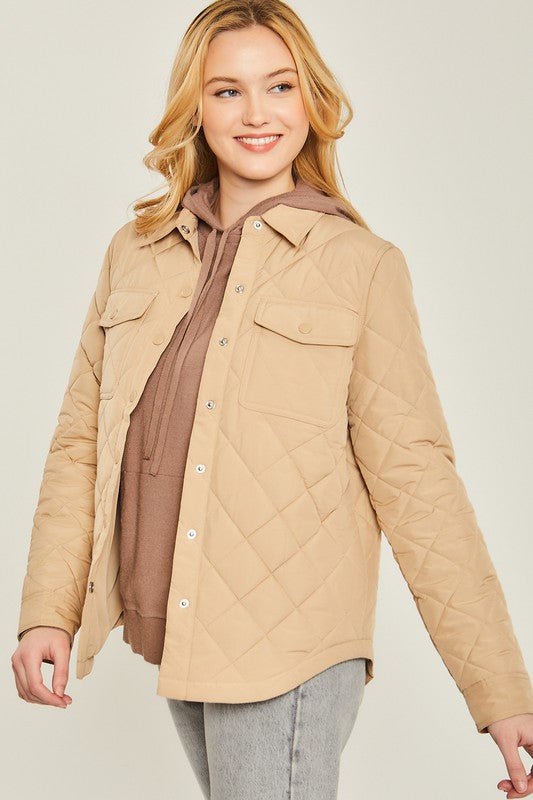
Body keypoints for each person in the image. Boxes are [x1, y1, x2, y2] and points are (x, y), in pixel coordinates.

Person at [11, 1, 533, 797]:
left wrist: (498, 689)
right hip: (180, 628)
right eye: (226, 91)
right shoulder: (137, 253)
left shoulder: (360, 265)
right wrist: (47, 609)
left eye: (280, 86)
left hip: (287, 648)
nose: (256, 113)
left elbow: (417, 481)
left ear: (311, 101)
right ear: (193, 108)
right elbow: (81, 443)